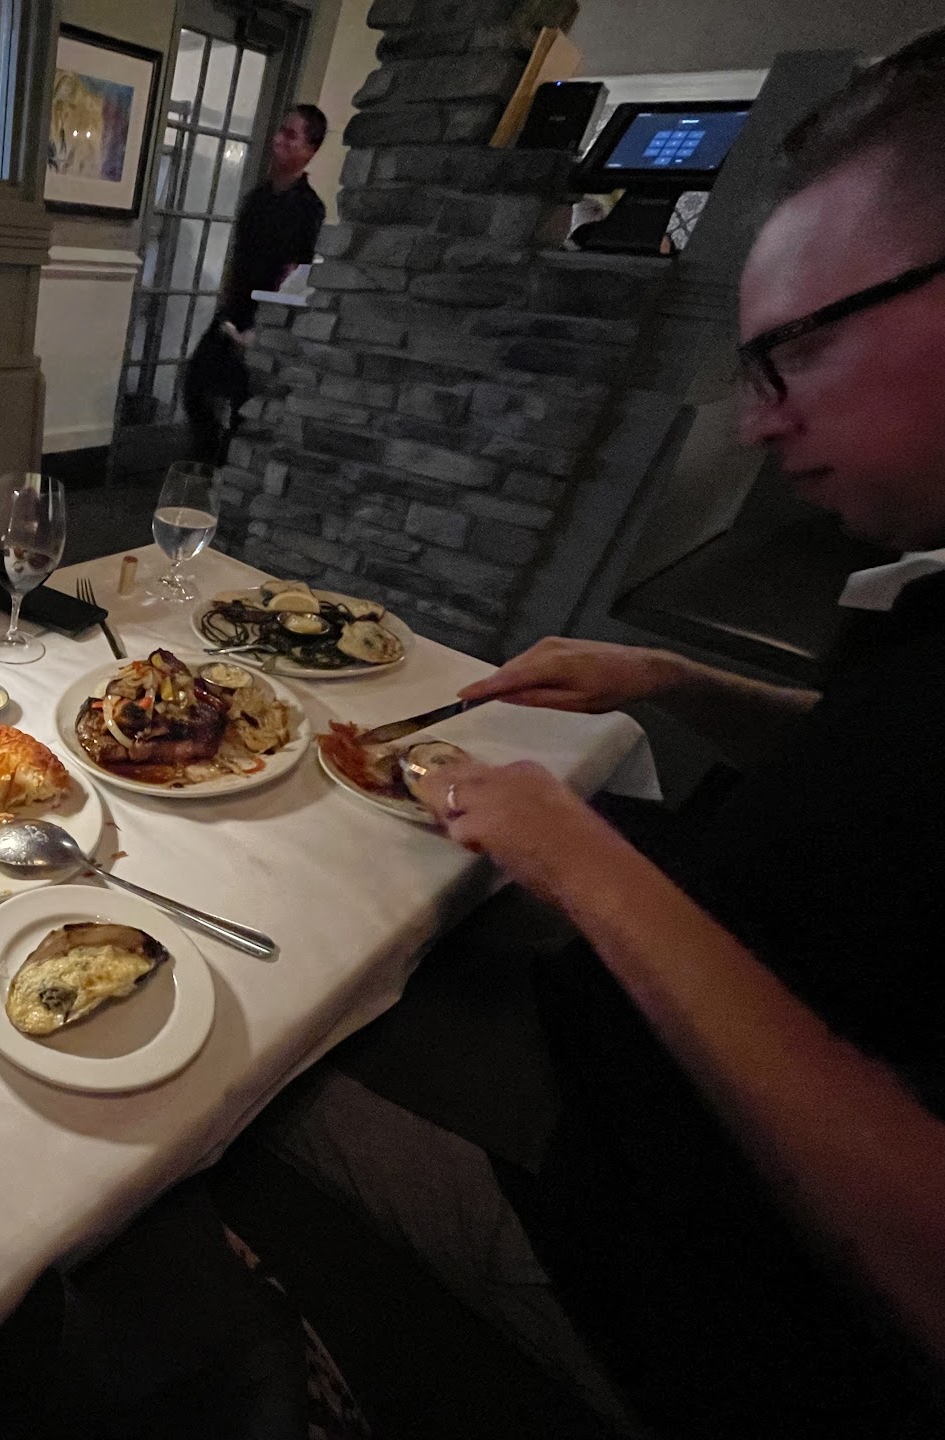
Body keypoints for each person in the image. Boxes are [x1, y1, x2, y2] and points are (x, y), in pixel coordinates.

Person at [256, 29, 945, 1439]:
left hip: (679, 1298)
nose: (751, 428)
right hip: (612, 1078)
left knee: (240, 1095)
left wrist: (583, 859)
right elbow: (889, 787)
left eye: (797, 351)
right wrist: (672, 682)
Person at [183, 104, 327, 463]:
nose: (277, 140)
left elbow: (297, 275)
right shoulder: (256, 199)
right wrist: (226, 304)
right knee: (195, 385)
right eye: (280, 131)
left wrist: (263, 329)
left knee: (247, 406)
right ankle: (207, 465)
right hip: (234, 312)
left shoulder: (309, 209)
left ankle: (226, 473)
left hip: (267, 320)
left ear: (310, 149)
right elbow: (239, 259)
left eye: (290, 135)